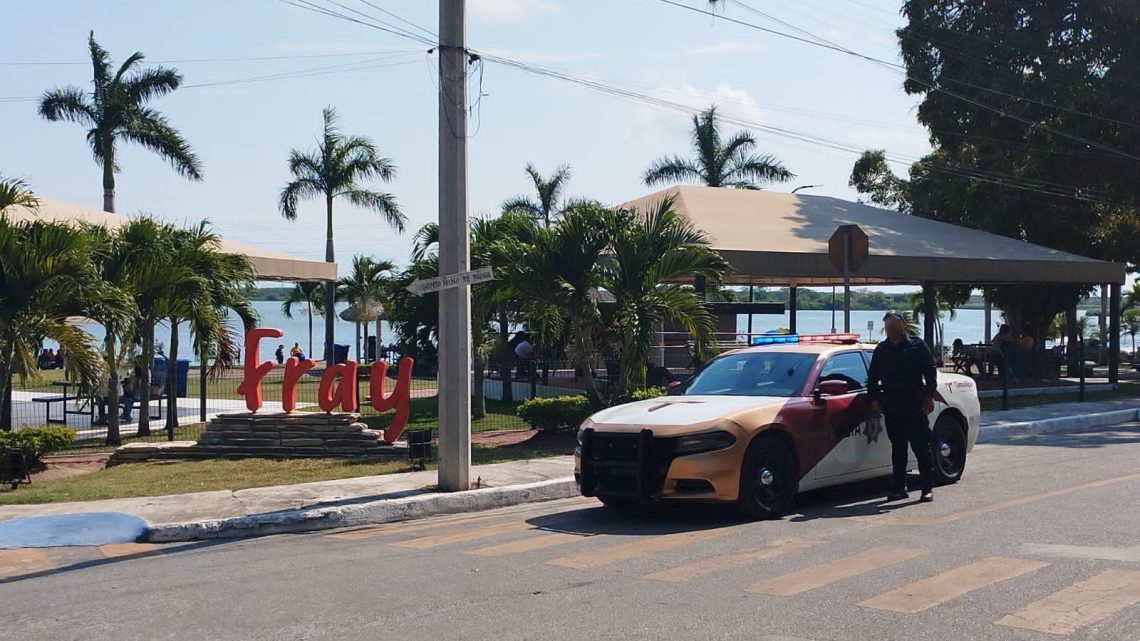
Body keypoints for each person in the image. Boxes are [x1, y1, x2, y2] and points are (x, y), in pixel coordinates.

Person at [867, 311, 938, 503]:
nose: (890, 330)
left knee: (922, 448)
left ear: (902, 325)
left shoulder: (917, 345)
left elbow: (930, 372)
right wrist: (874, 399)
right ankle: (899, 488)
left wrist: (929, 395)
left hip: (915, 405)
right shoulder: (882, 350)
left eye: (893, 326)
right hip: (893, 406)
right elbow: (872, 378)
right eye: (888, 327)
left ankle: (926, 489)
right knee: (898, 450)